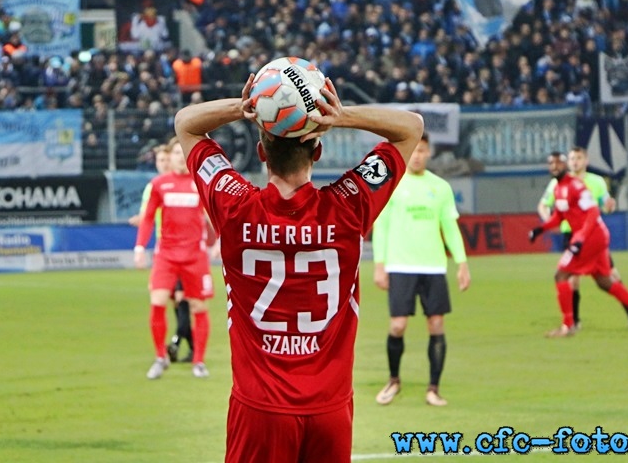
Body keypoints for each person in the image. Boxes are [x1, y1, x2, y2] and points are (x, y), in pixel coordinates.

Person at [175, 75, 424, 463]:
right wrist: (338, 116)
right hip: (330, 411)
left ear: (261, 151)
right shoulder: (350, 206)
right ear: (318, 151)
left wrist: (245, 107)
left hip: (259, 410)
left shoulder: (233, 206)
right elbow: (411, 128)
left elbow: (186, 123)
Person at [372, 134, 471, 408]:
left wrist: (461, 262)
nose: (417, 155)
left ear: (429, 153)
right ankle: (393, 380)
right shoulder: (393, 185)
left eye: (422, 151)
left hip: (433, 267)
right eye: (413, 150)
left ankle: (433, 389)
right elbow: (381, 226)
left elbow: (450, 227)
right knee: (398, 325)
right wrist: (380, 264)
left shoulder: (440, 187)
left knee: (437, 325)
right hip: (400, 265)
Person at [529, 152, 628, 338]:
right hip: (589, 237)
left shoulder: (576, 186)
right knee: (605, 282)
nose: (555, 166)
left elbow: (592, 213)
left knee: (561, 275)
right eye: (551, 163)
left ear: (565, 165)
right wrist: (540, 229)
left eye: (559, 163)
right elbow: (559, 216)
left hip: (591, 237)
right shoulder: (558, 188)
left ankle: (568, 326)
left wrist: (580, 239)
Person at [134, 137, 213, 379]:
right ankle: (160, 357)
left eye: (184, 153)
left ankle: (198, 362)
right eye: (176, 153)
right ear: (171, 156)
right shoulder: (160, 184)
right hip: (166, 255)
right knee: (157, 302)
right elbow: (148, 217)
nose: (180, 157)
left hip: (194, 255)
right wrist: (139, 247)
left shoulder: (200, 184)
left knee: (198, 307)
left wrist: (217, 241)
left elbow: (212, 216)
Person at [128, 143, 193, 363]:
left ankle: (176, 343)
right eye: (160, 161)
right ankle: (187, 346)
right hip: (165, 251)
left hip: (186, 252)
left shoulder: (187, 185)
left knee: (182, 300)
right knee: (176, 300)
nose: (164, 164)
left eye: (168, 159)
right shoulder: (155, 186)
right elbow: (148, 215)